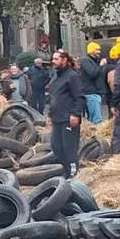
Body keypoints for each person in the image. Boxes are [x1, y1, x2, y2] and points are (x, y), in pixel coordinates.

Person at [47, 49, 85, 178]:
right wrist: (50, 115)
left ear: (64, 60)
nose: (53, 61)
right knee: (56, 146)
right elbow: (53, 97)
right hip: (57, 118)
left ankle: (74, 171)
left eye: (56, 59)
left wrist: (75, 114)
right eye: (53, 58)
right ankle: (66, 169)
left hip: (69, 118)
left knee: (69, 147)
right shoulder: (55, 76)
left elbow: (80, 97)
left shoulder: (72, 76)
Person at [79, 43, 108, 125]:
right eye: (97, 50)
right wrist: (101, 66)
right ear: (91, 51)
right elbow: (92, 73)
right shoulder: (86, 61)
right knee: (96, 120)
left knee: (94, 119)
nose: (99, 52)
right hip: (91, 93)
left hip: (94, 93)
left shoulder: (93, 61)